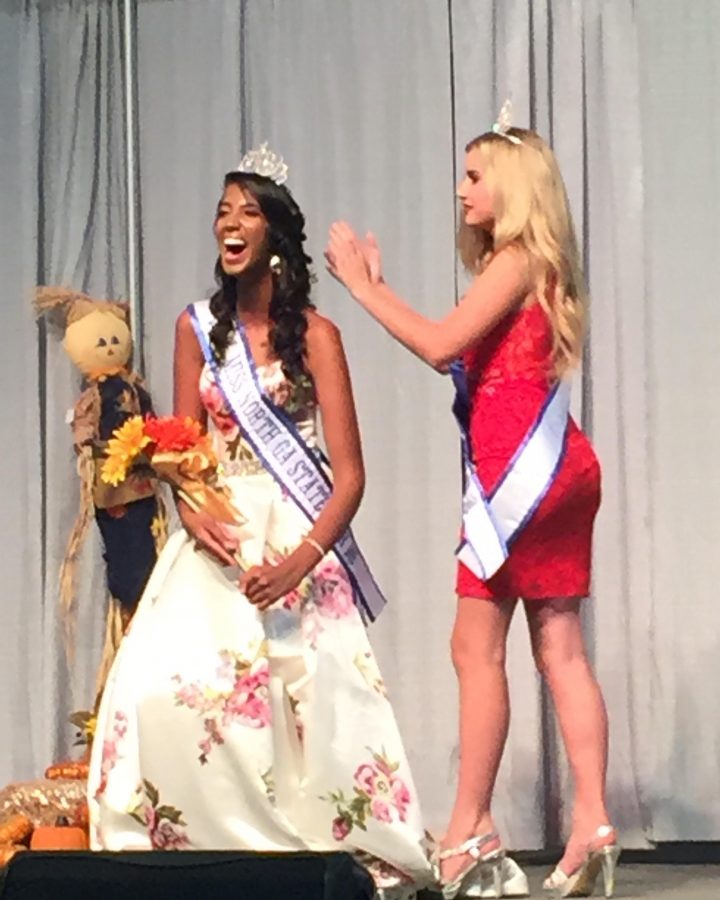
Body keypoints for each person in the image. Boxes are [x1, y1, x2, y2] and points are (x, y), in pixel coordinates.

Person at [87, 146, 432, 900]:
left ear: (275, 232)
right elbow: (180, 446)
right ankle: (196, 845)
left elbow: (351, 477)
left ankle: (319, 852)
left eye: (247, 211)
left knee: (308, 706)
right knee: (159, 688)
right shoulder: (194, 327)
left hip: (296, 538)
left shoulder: (318, 335)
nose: (230, 224)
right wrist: (187, 507)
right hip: (215, 533)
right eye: (222, 210)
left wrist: (302, 560)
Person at [325, 109, 619, 899]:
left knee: (473, 650)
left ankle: (467, 831)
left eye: (474, 175)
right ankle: (590, 820)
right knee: (559, 649)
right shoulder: (538, 264)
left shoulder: (517, 259)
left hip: (516, 480)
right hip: (556, 468)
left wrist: (360, 288)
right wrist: (383, 289)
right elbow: (464, 358)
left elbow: (439, 344)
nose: (461, 190)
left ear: (512, 188)